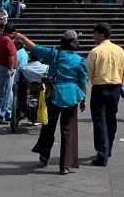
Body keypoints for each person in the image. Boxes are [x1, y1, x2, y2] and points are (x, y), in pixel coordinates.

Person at [12, 28, 89, 175]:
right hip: (71, 96)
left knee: (48, 127)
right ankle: (64, 165)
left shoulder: (54, 54)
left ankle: (44, 155)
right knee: (66, 130)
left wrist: (21, 37)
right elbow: (82, 82)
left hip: (53, 94)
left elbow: (34, 47)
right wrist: (83, 99)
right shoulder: (80, 60)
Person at [86, 21, 124, 166]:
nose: (94, 37)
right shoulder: (119, 50)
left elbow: (87, 73)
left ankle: (101, 153)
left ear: (101, 35)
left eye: (95, 34)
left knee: (99, 120)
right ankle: (108, 148)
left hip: (100, 89)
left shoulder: (95, 52)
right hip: (115, 89)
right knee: (111, 118)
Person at [0, 22, 18, 123]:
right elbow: (10, 55)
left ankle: (7, 113)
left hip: (1, 67)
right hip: (6, 69)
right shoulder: (8, 40)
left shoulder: (0, 38)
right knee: (4, 94)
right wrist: (11, 68)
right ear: (12, 32)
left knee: (8, 93)